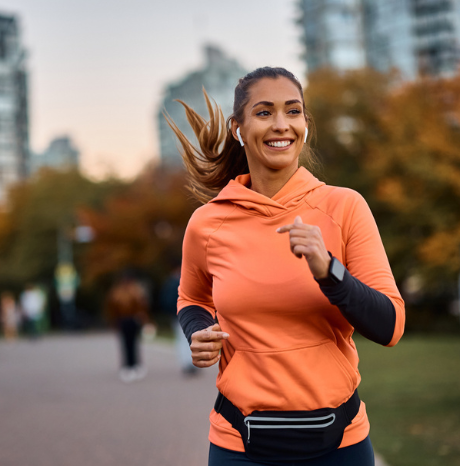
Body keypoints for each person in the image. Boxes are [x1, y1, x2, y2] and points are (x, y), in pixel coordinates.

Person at [166, 67, 405, 465]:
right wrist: (198, 330)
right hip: (239, 444)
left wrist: (330, 271)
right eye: (264, 113)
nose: (281, 125)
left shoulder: (345, 207)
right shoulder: (208, 223)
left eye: (293, 112)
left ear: (305, 125)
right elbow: (191, 297)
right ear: (238, 128)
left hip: (340, 443)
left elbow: (390, 326)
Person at [105, 272, 150, 383]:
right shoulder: (134, 291)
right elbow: (142, 306)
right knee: (131, 343)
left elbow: (112, 308)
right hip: (128, 320)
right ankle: (132, 365)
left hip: (126, 320)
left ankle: (131, 365)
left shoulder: (118, 292)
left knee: (128, 343)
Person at [160, 263, 197, 376]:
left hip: (180, 314)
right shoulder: (180, 282)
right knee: (187, 339)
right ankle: (189, 362)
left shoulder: (170, 283)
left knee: (183, 339)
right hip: (184, 314)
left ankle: (187, 362)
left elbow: (165, 300)